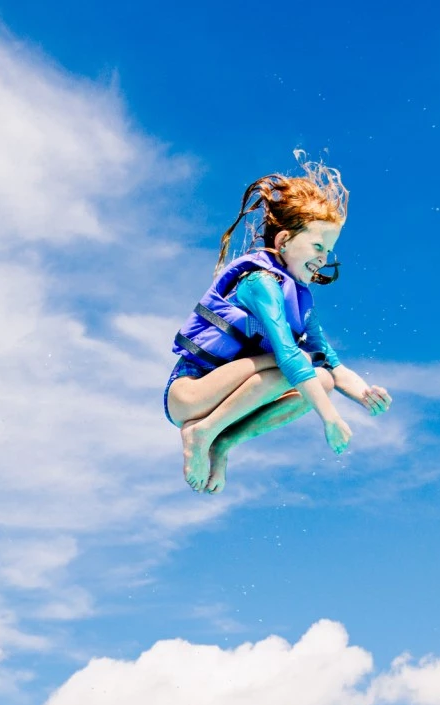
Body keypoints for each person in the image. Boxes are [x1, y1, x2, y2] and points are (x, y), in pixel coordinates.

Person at [166, 156, 393, 493]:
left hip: (226, 396)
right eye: (317, 245)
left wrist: (365, 394)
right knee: (299, 364)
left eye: (328, 251)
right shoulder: (261, 283)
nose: (323, 258)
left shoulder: (301, 302)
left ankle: (221, 442)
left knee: (322, 378)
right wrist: (330, 418)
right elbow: (287, 355)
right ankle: (201, 431)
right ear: (284, 241)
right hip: (190, 393)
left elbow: (333, 365)